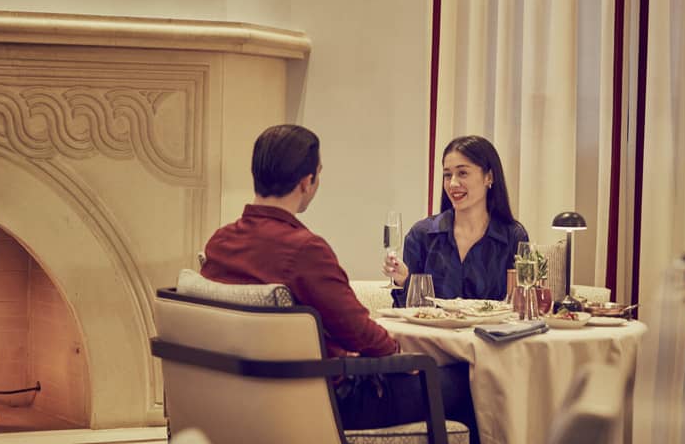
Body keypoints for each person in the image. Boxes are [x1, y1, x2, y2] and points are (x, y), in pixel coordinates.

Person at [201, 124, 478, 442]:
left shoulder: (220, 243)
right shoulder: (304, 250)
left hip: (245, 396)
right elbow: (360, 331)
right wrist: (398, 355)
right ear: (308, 181)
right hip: (330, 400)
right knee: (466, 381)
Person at [386, 135, 528, 306]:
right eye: (447, 175)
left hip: (490, 333)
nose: (452, 183)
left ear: (488, 177)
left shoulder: (513, 236)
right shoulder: (421, 235)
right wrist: (403, 282)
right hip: (431, 332)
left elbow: (522, 308)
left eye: (462, 173)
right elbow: (404, 311)